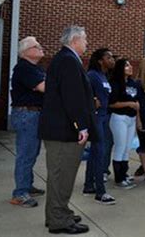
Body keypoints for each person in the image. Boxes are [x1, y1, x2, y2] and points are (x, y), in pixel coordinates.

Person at [39, 26, 95, 234]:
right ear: (74, 41)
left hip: (60, 128)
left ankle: (57, 213)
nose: (87, 43)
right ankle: (59, 220)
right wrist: (81, 125)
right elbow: (73, 97)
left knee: (59, 174)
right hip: (63, 131)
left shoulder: (64, 59)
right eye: (85, 40)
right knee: (62, 175)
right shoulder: (68, 61)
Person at [10, 37, 46, 208]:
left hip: (34, 114)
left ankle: (27, 186)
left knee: (32, 152)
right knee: (26, 153)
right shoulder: (24, 68)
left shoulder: (35, 68)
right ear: (25, 52)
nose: (40, 48)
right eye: (36, 46)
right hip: (27, 114)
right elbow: (44, 88)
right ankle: (20, 193)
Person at [82, 48, 116, 205]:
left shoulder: (103, 76)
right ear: (100, 60)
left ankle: (89, 185)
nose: (112, 59)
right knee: (100, 152)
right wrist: (92, 99)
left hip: (103, 117)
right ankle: (100, 192)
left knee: (96, 153)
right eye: (108, 57)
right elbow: (83, 92)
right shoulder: (92, 76)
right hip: (96, 118)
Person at [109, 58, 139, 189]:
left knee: (127, 148)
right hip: (119, 118)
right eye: (126, 65)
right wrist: (130, 104)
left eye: (130, 65)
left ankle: (124, 174)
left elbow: (136, 98)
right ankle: (118, 178)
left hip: (131, 119)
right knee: (120, 147)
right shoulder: (115, 83)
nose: (130, 67)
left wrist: (136, 105)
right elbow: (112, 103)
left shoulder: (132, 83)